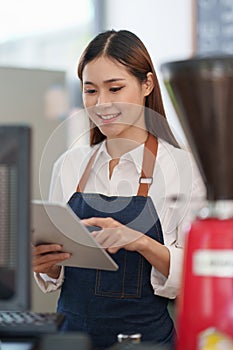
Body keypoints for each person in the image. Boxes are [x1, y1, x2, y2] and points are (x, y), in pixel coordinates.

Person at [33, 29, 205, 349]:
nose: (102, 104)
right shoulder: (69, 165)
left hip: (145, 341)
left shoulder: (182, 168)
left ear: (147, 85)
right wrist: (46, 263)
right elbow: (56, 275)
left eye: (115, 88)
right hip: (70, 338)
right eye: (91, 91)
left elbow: (197, 275)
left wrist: (141, 242)